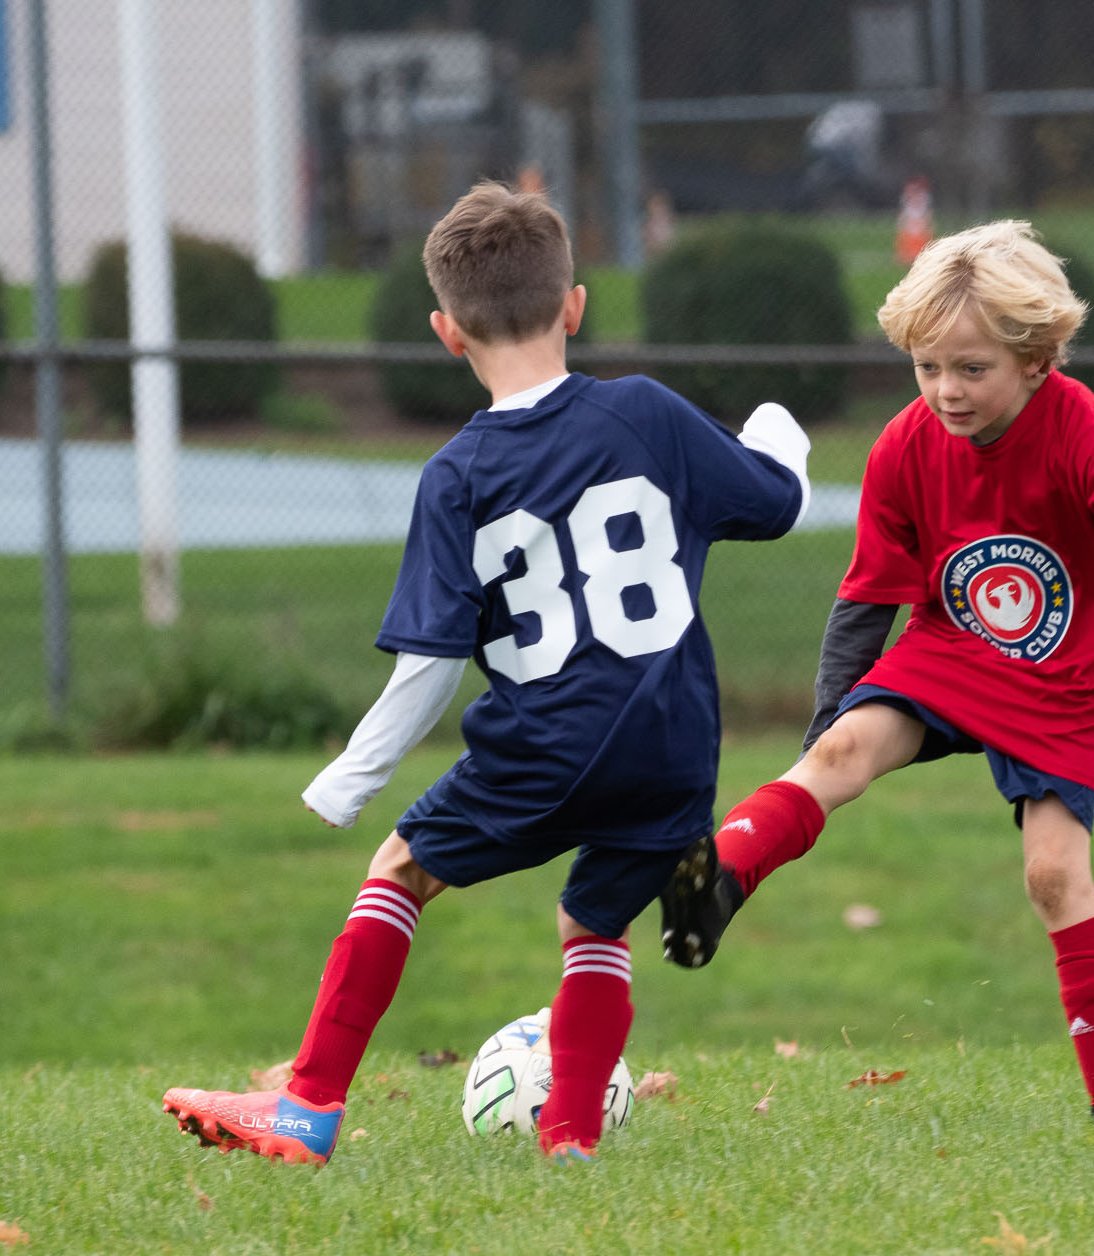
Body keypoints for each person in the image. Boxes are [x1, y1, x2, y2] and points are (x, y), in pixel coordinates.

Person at [160, 183, 812, 1163]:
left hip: (546, 745)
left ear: (446, 332)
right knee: (592, 920)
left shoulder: (457, 476)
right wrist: (776, 431)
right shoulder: (646, 412)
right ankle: (569, 1142)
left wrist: (353, 774)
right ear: (574, 306)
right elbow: (777, 503)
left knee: (401, 868)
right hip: (673, 746)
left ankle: (307, 1105)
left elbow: (432, 658)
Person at [659, 221, 1094, 1119]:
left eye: (972, 369)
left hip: (1065, 675)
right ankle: (718, 880)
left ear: (1036, 359)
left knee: (1052, 877)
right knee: (839, 755)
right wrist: (824, 724)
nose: (946, 390)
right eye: (927, 367)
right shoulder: (904, 446)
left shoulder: (1082, 429)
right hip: (949, 648)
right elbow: (866, 600)